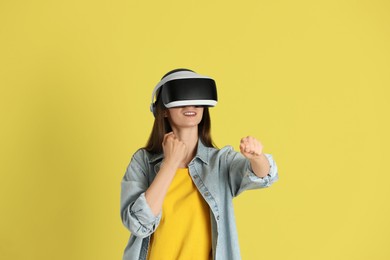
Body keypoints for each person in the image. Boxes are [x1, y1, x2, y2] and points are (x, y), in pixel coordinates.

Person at [120, 68, 278, 260]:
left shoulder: (220, 162)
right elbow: (137, 223)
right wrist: (170, 164)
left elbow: (263, 176)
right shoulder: (143, 162)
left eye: (197, 100)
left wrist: (256, 157)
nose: (191, 105)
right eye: (182, 98)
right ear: (163, 111)